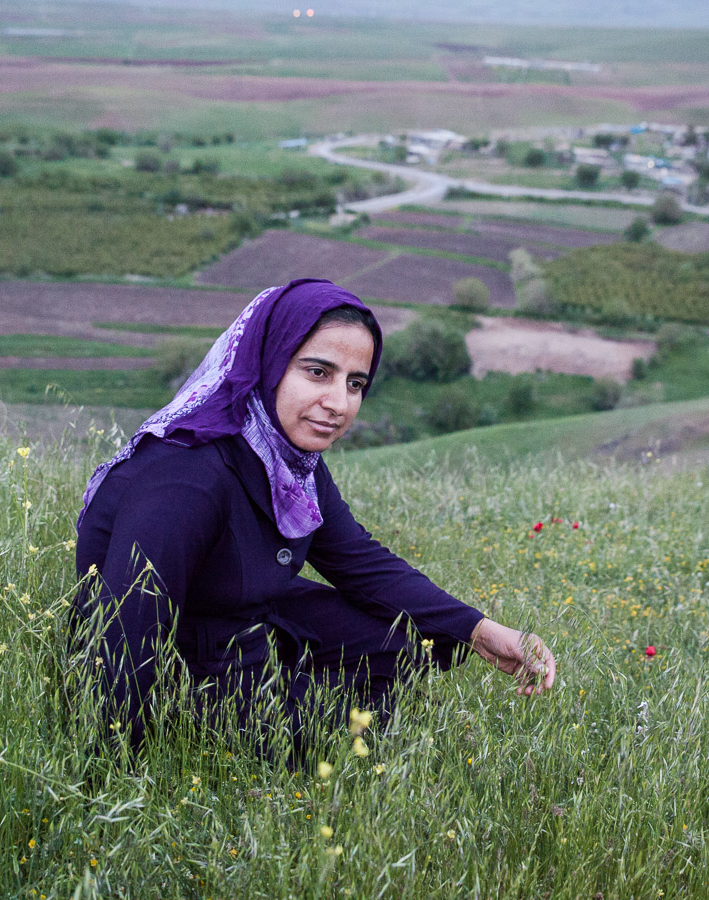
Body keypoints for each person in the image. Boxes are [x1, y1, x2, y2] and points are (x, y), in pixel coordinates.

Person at [74, 278, 556, 755]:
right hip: (190, 658)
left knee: (408, 643)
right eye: (318, 372)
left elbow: (361, 562)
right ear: (269, 361)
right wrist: (110, 770)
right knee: (316, 736)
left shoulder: (288, 461)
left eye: (355, 383)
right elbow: (125, 638)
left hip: (249, 617)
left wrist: (482, 631)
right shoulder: (186, 477)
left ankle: (336, 714)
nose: (339, 404)